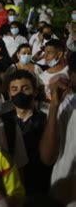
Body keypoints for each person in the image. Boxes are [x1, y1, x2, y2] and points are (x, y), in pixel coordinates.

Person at [6, 70, 51, 195]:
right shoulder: (4, 122)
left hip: (41, 185)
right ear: (9, 93)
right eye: (14, 89)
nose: (19, 93)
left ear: (35, 91)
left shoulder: (46, 120)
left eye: (25, 88)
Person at [40, 52, 76, 206]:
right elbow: (47, 157)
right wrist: (54, 107)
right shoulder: (65, 105)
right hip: (63, 197)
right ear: (71, 75)